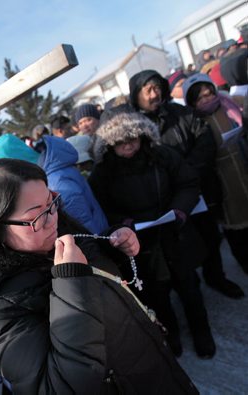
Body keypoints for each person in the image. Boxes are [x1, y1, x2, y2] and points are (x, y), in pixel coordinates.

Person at [0, 158, 198, 394]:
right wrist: (71, 281)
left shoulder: (60, 230)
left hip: (153, 367)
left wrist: (114, 245)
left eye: (52, 202)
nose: (52, 218)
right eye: (37, 215)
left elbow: (101, 280)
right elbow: (56, 387)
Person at [89, 111, 216, 358]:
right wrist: (121, 223)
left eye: (133, 138)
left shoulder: (162, 155)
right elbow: (101, 208)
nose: (128, 145)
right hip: (139, 245)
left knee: (190, 287)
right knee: (157, 296)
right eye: (119, 142)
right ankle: (172, 336)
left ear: (143, 135)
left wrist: (180, 210)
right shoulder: (102, 173)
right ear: (109, 145)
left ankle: (202, 332)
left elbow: (188, 182)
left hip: (174, 233)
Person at [129, 69, 243, 298]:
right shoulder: (134, 126)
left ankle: (216, 277)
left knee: (210, 236)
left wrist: (187, 171)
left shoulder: (181, 113)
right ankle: (190, 292)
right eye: (148, 89)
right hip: (166, 200)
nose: (155, 94)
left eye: (158, 87)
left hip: (198, 189)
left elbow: (204, 138)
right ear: (136, 94)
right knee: (178, 249)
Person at [183, 73, 248, 274]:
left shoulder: (230, 104)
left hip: (242, 163)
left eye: (209, 94)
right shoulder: (194, 121)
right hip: (221, 177)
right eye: (200, 98)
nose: (206, 100)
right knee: (234, 226)